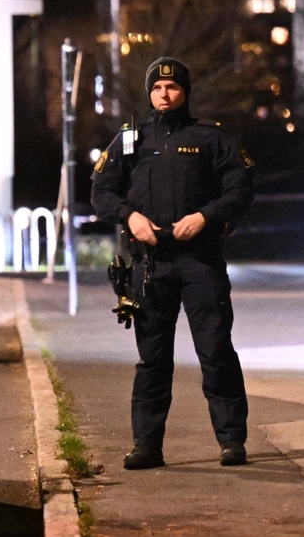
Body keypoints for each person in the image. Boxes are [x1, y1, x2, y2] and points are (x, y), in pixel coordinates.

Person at [91, 56, 255, 470]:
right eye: (157, 88)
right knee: (153, 359)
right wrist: (129, 216)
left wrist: (206, 217)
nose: (165, 94)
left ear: (185, 92)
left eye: (173, 88)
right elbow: (101, 191)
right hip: (150, 266)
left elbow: (241, 189)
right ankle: (147, 446)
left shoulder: (210, 139)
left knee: (215, 350)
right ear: (149, 93)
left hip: (200, 261)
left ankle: (232, 440)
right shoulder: (130, 140)